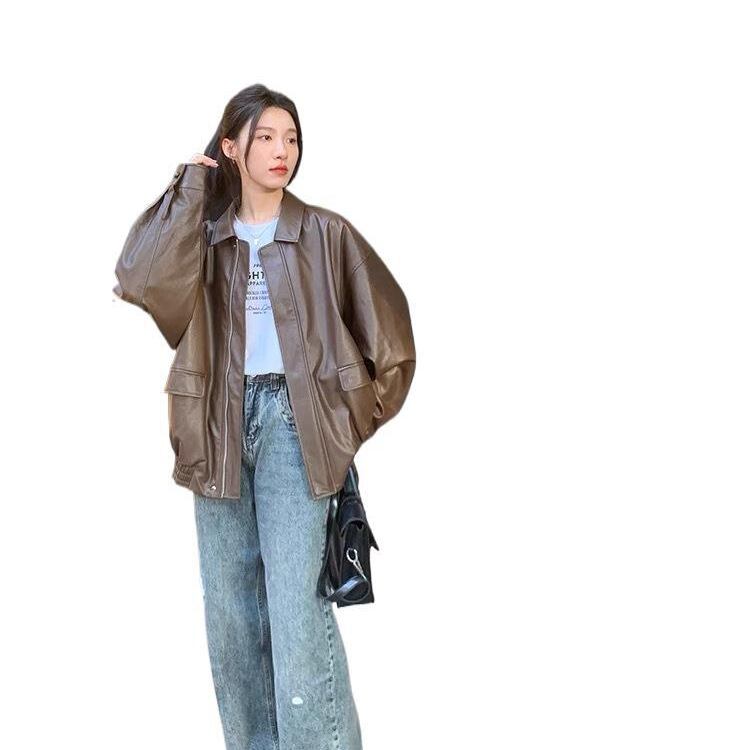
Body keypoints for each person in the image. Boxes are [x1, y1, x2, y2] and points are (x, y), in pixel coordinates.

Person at [112, 83, 416, 750]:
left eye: (292, 138)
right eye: (267, 137)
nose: (283, 151)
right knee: (231, 621)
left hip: (294, 427)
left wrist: (340, 423)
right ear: (231, 147)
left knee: (296, 616)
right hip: (214, 426)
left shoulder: (325, 233)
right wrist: (190, 188)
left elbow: (393, 348)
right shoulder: (204, 237)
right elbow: (139, 279)